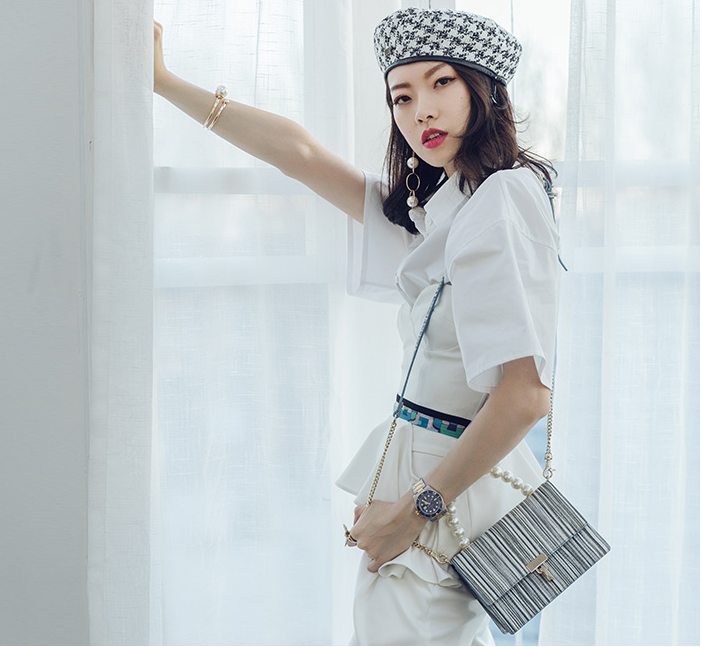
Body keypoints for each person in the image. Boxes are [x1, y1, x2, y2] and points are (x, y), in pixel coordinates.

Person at [154, 7, 561, 646]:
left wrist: (415, 510)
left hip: (442, 487)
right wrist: (165, 83)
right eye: (402, 96)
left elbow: (527, 395)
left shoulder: (503, 200)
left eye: (441, 83)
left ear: (484, 90)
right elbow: (300, 155)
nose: (421, 110)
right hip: (433, 471)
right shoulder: (443, 210)